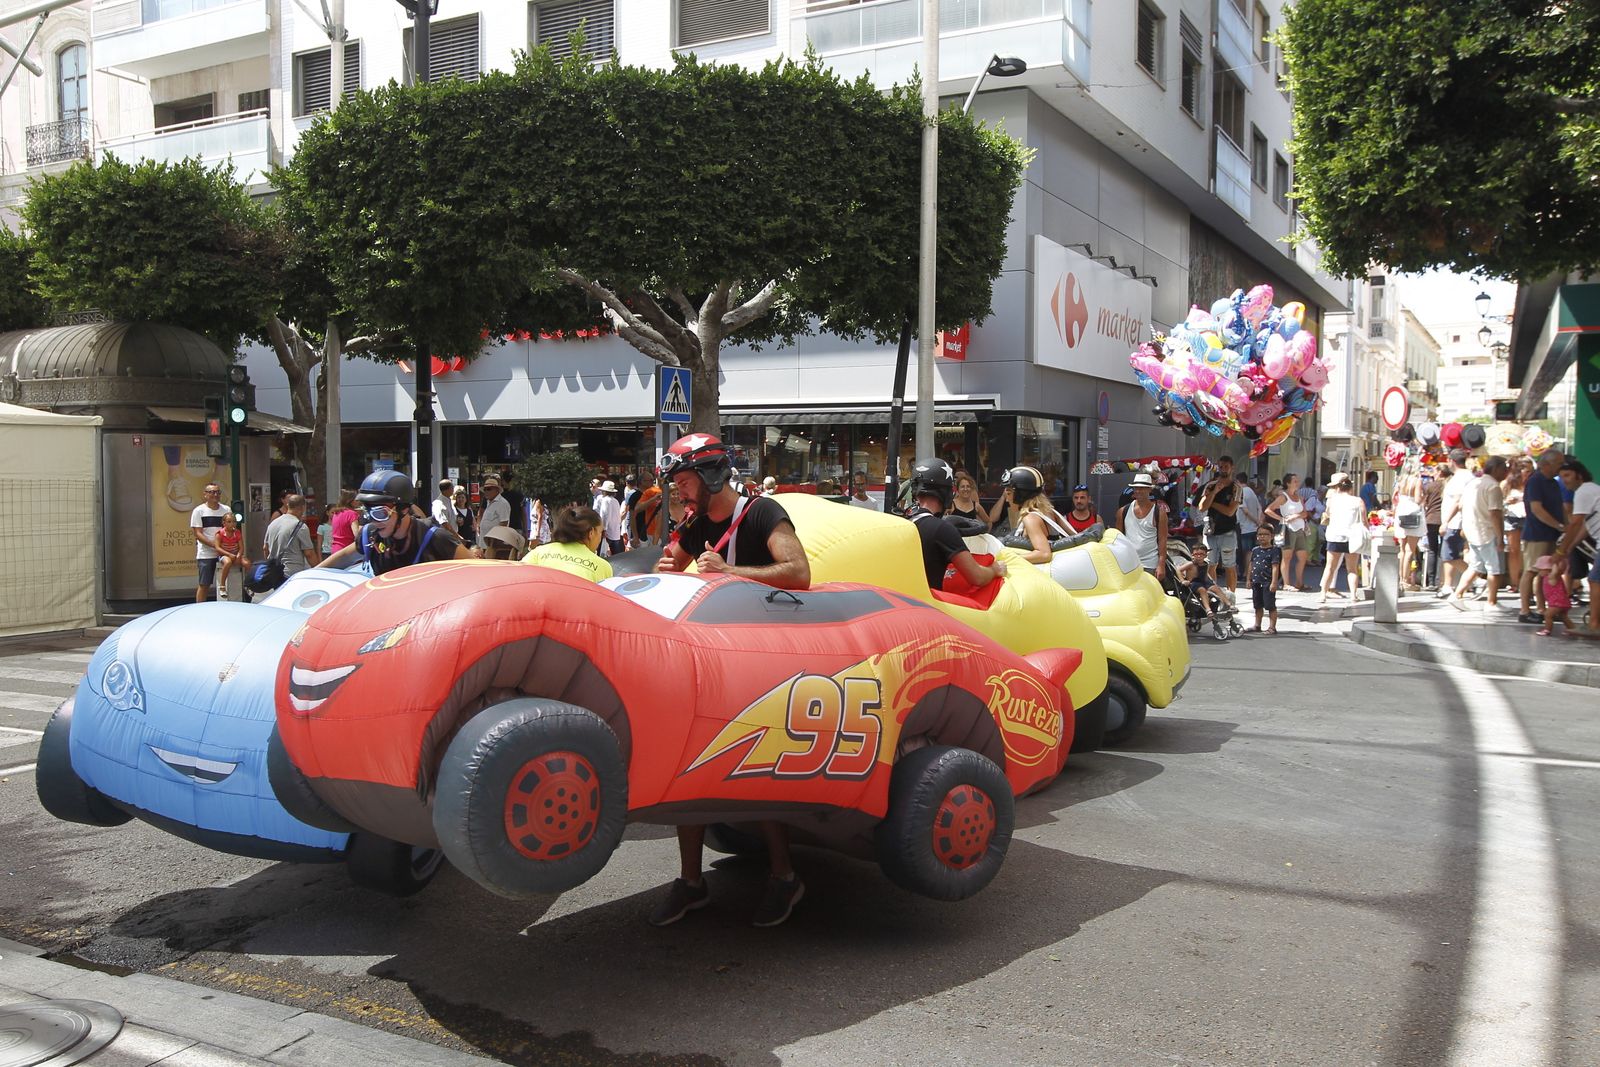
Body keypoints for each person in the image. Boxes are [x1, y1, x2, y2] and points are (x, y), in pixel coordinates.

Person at [651, 433, 810, 928]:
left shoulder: (762, 513)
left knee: (756, 766)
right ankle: (691, 881)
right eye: (676, 481)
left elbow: (799, 572)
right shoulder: (693, 525)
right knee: (689, 764)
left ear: (713, 474)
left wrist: (729, 572)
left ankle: (784, 876)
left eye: (685, 480)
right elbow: (675, 571)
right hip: (711, 659)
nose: (680, 490)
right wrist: (667, 572)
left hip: (764, 659)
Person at [318, 469, 473, 574]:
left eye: (380, 513)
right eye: (366, 513)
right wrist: (305, 576)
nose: (374, 521)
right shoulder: (369, 535)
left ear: (403, 509)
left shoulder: (435, 538)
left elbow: (478, 570)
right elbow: (340, 559)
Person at [904, 458, 1006, 594]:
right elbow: (977, 577)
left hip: (899, 602)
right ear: (945, 492)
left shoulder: (902, 521)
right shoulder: (942, 529)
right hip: (927, 607)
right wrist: (995, 569)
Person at [1448, 455, 1507, 609]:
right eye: (1504, 469)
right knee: (1493, 567)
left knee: (1476, 566)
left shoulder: (1473, 484)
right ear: (1496, 469)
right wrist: (1500, 537)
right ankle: (1491, 602)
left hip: (1472, 530)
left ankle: (1457, 594)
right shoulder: (1493, 487)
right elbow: (1495, 514)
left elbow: (1461, 506)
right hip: (1486, 531)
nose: (1506, 472)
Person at [1518, 450, 1568, 623]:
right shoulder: (1536, 481)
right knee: (1531, 571)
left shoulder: (1553, 483)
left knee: (1544, 573)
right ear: (1547, 464)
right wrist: (1559, 525)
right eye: (1559, 463)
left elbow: (1560, 506)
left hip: (1551, 534)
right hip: (1537, 534)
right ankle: (1524, 610)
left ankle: (1542, 608)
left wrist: (1565, 525)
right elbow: (1537, 509)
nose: (1561, 467)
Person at [1555, 460, 1599, 635]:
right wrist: (1569, 547)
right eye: (1562, 476)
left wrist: (1560, 551)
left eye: (1567, 475)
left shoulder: (1583, 492)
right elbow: (1585, 527)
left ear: (1579, 475)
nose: (1564, 480)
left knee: (1595, 580)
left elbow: (1575, 524)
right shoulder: (1591, 490)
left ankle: (1595, 625)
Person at [1003, 466, 1071, 565]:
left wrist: (1008, 560)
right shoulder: (1048, 512)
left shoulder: (1031, 518)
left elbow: (1044, 554)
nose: (1006, 499)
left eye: (1009, 493)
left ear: (1021, 494)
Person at [524, 505, 612, 581]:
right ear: (591, 533)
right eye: (601, 532)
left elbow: (517, 575)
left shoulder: (538, 552)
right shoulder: (602, 567)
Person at [1318, 472, 1366, 606]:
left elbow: (1327, 515)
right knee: (1352, 569)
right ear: (1350, 487)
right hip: (1352, 537)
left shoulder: (1331, 501)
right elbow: (1364, 520)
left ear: (1337, 487)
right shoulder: (1358, 501)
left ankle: (1323, 594)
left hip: (1335, 535)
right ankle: (1353, 595)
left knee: (1330, 567)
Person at [1198, 456, 1242, 592]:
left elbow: (1230, 511)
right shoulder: (1211, 485)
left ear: (1232, 468)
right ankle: (1214, 594)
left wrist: (1213, 503)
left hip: (1228, 530)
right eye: (1221, 467)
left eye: (1226, 467)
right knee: (1210, 564)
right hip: (1211, 529)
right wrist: (1214, 493)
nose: (1223, 469)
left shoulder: (1236, 487)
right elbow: (1202, 507)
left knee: (1229, 565)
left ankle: (1231, 596)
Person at [1116, 471, 1168, 580]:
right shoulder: (1123, 511)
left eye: (1142, 488)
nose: (1138, 491)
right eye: (1136, 488)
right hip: (1128, 564)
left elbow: (1163, 540)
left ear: (1150, 489)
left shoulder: (1159, 513)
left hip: (1150, 564)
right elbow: (1118, 538)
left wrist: (1161, 564)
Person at [1437, 450, 1476, 596]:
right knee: (1449, 553)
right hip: (1456, 522)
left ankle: (1476, 578)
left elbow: (1458, 501)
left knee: (1448, 555)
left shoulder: (1461, 478)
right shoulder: (1465, 477)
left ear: (1451, 461)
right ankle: (1447, 585)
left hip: (1455, 522)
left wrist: (1446, 521)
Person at [1263, 472, 1310, 591]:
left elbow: (1305, 513)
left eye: (1297, 481)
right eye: (1295, 481)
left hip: (1300, 528)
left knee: (1303, 556)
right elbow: (1268, 510)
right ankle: (1286, 583)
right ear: (1288, 483)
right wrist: (1282, 519)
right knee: (1287, 557)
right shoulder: (1283, 497)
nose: (1297, 483)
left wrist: (1296, 516)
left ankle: (1299, 582)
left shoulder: (1299, 497)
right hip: (1288, 529)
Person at [190, 482, 230, 604]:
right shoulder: (199, 511)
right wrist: (214, 545)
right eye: (212, 492)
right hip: (206, 554)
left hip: (224, 551)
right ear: (205, 495)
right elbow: (198, 534)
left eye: (218, 492)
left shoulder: (226, 509)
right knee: (204, 584)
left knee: (229, 582)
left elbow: (231, 529)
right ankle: (199, 609)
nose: (215, 495)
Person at [264, 493, 322, 578]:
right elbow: (309, 554)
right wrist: (319, 570)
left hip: (274, 574)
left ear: (288, 505)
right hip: (292, 574)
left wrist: (270, 565)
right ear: (302, 508)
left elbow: (265, 548)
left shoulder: (273, 524)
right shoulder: (300, 526)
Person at [1177, 543, 1232, 620]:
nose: (1198, 556)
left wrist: (1211, 582)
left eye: (1201, 554)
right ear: (1192, 555)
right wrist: (1182, 580)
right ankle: (1208, 609)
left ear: (1205, 555)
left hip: (1203, 581)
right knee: (1202, 590)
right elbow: (1179, 570)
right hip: (1193, 583)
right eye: (1196, 554)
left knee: (1216, 588)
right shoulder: (1190, 564)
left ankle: (1229, 604)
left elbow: (1205, 574)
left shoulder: (1206, 564)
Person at [1391, 474, 1425, 590]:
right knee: (1410, 550)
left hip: (1401, 511)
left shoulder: (1401, 480)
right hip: (1413, 513)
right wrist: (1424, 497)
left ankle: (1399, 579)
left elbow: (1394, 498)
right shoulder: (1417, 481)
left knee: (1402, 549)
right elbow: (1417, 500)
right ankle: (1405, 581)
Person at [1247, 524, 1281, 633]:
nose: (1262, 537)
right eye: (1260, 534)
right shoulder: (1255, 550)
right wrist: (1249, 579)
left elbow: (1275, 566)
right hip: (1256, 581)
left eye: (1265, 534)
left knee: (1270, 605)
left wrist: (1274, 582)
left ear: (1272, 536)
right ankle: (1257, 625)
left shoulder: (1275, 550)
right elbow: (1251, 565)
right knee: (1257, 604)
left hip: (1268, 581)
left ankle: (1272, 627)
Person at [1533, 555, 1575, 636]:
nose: (1539, 572)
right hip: (1562, 602)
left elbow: (1555, 571)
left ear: (1548, 569)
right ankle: (1572, 629)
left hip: (1557, 602)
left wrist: (1554, 563)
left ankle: (1547, 629)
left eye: (1540, 570)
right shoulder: (1550, 577)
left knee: (1547, 615)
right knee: (1563, 617)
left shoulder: (1551, 577)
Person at [213, 510, 248, 600]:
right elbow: (217, 547)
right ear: (224, 523)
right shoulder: (220, 534)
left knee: (247, 563)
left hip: (235, 554)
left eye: (234, 521)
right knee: (227, 562)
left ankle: (248, 585)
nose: (232, 524)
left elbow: (241, 547)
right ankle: (222, 586)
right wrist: (229, 554)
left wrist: (238, 556)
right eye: (229, 522)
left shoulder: (237, 533)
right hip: (224, 555)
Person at [1419, 467, 1444, 588]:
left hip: (1431, 519)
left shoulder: (1429, 486)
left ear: (1439, 473)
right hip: (1444, 520)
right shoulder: (1447, 486)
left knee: (1432, 550)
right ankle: (1441, 580)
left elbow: (1424, 502)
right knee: (1443, 551)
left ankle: (1431, 581)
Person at [477, 476, 512, 552]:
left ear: (497, 490)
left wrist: (494, 541)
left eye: (489, 489)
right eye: (485, 489)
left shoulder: (502, 503)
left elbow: (504, 523)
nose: (486, 491)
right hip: (485, 545)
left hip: (493, 546)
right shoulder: (489, 502)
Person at [592, 479, 625, 555]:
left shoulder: (605, 500)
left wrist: (604, 528)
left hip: (608, 531)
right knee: (616, 552)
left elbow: (605, 515)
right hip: (615, 530)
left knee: (602, 551)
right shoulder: (615, 501)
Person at [328, 488, 359, 554]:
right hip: (347, 551)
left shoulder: (336, 514)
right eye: (356, 499)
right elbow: (357, 534)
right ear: (351, 501)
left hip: (335, 550)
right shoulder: (352, 514)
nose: (358, 501)